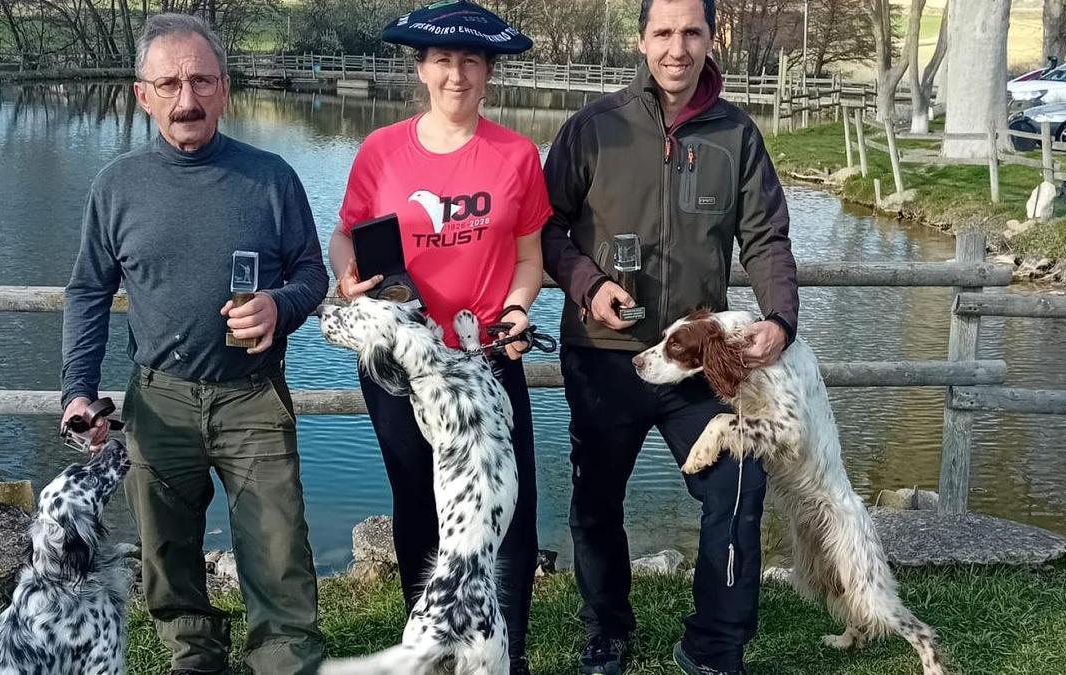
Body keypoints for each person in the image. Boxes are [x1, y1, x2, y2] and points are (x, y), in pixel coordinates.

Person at [60, 14, 328, 675]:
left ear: (225, 88)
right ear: (141, 93)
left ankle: (283, 658)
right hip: (159, 402)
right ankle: (194, 655)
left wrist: (280, 306)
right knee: (166, 554)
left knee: (279, 548)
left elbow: (312, 274)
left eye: (202, 80)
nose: (187, 99)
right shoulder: (116, 186)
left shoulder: (271, 178)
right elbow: (88, 292)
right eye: (170, 82)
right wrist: (77, 391)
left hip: (253, 400)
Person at [541, 0, 800, 674]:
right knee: (595, 499)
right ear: (642, 40)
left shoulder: (736, 134)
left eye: (692, 33)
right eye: (664, 32)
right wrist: (588, 283)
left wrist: (779, 318)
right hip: (604, 356)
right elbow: (546, 227)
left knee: (736, 487)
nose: (677, 48)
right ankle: (606, 628)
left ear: (712, 39)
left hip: (698, 360)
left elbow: (767, 235)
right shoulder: (593, 128)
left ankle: (714, 645)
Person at [326, 3, 549, 673]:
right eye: (443, 60)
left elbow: (531, 258)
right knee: (417, 499)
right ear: (421, 68)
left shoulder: (516, 155)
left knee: (510, 511)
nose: (457, 74)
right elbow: (346, 234)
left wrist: (515, 310)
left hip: (485, 360)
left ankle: (505, 652)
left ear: (489, 72)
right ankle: (436, 647)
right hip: (400, 366)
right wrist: (346, 273)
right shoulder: (380, 150)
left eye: (472, 61)